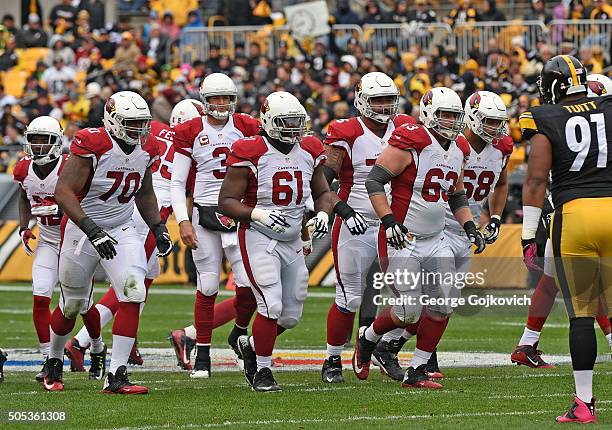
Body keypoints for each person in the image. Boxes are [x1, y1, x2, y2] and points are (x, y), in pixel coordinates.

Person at [353, 87, 486, 389]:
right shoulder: (413, 140)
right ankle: (368, 337)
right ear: (428, 114)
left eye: (455, 116)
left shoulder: (458, 149)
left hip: (436, 239)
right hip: (403, 238)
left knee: (444, 304)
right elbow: (374, 180)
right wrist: (388, 221)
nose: (452, 122)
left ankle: (417, 369)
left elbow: (456, 193)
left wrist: (468, 226)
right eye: (445, 115)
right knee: (408, 310)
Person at [45, 91, 173, 394]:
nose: (139, 131)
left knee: (133, 291)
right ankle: (52, 359)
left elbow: (143, 192)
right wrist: (91, 229)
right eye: (131, 124)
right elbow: (63, 191)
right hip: (81, 228)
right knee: (72, 304)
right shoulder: (94, 143)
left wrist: (158, 227)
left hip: (122, 226)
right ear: (113, 121)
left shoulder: (148, 147)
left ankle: (116, 374)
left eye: (142, 123)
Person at [64, 102, 205, 375]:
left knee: (145, 279)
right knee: (131, 285)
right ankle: (81, 341)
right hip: (147, 213)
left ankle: (128, 342)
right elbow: (187, 191)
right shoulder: (191, 148)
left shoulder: (154, 133)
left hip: (134, 208)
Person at [219, 91, 334, 392]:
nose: (294, 129)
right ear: (268, 122)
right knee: (270, 303)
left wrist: (322, 215)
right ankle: (263, 372)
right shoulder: (250, 150)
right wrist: (257, 213)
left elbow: (323, 192)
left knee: (292, 315)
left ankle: (250, 345)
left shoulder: (309, 148)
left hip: (293, 238)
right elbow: (227, 201)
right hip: (259, 237)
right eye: (287, 122)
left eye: (298, 122)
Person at [520, 55, 611, 423]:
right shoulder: (607, 106)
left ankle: (584, 404)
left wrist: (529, 234)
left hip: (575, 216)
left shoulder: (544, 116)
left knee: (582, 317)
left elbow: (537, 180)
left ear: (553, 86)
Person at [320, 72, 415, 383]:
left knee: (412, 297)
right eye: (378, 100)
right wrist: (343, 211)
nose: (385, 106)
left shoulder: (404, 128)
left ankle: (377, 344)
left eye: (389, 99)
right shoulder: (346, 132)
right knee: (348, 297)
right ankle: (332, 359)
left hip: (394, 225)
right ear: (361, 101)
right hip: (356, 222)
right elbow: (322, 183)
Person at [170, 74, 261, 378]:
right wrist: (182, 219)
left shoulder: (248, 126)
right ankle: (203, 356)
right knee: (207, 286)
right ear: (204, 100)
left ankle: (238, 332)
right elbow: (178, 180)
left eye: (226, 98)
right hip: (205, 212)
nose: (221, 104)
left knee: (248, 286)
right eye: (215, 99)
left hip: (239, 213)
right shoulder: (191, 130)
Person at [13, 116, 67, 382]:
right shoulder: (23, 167)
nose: (38, 145)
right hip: (46, 239)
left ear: (56, 142)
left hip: (74, 241)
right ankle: (49, 359)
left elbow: (84, 201)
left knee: (80, 305)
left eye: (44, 140)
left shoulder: (70, 166)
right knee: (40, 296)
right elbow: (24, 196)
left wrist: (60, 208)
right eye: (33, 139)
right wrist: (24, 227)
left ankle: (97, 346)